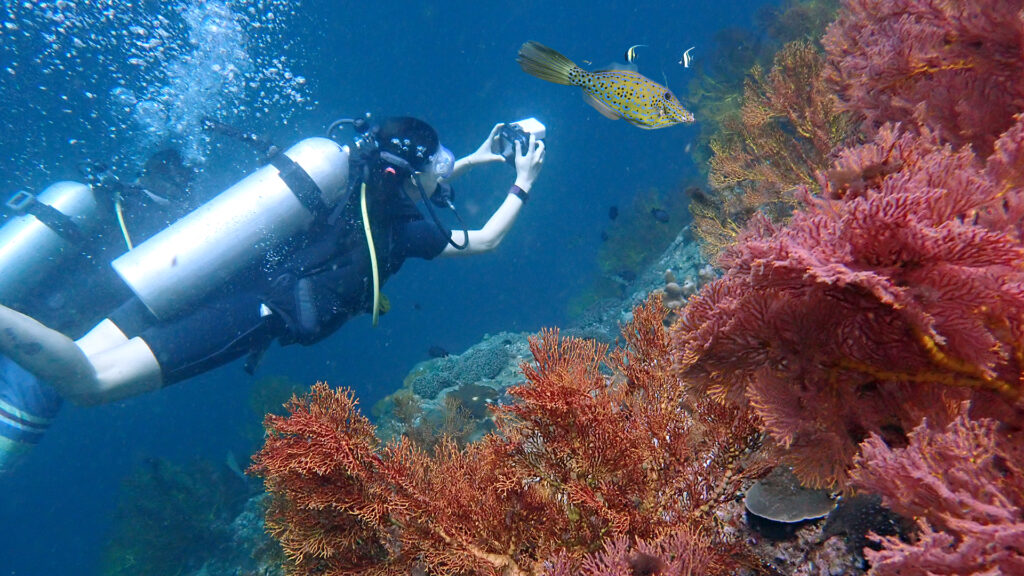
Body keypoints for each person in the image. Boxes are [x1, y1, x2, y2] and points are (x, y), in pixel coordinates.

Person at [0, 116, 544, 459]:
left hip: (200, 278)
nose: (447, 172)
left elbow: (424, 181)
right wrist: (524, 180)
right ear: (405, 174)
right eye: (441, 163)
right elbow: (487, 240)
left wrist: (480, 156)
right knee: (88, 382)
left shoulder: (351, 179)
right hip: (251, 313)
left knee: (80, 361)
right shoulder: (404, 228)